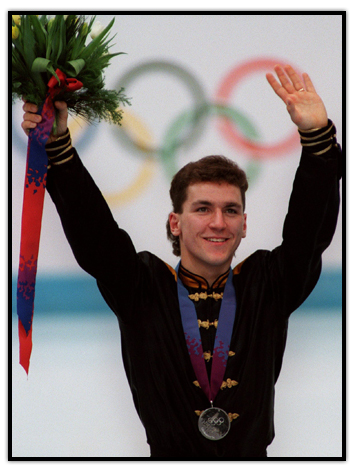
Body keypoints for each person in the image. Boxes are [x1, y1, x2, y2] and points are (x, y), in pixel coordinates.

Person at [21, 65, 341, 458]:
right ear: (176, 222)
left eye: (231, 210)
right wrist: (58, 146)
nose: (218, 222)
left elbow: (309, 232)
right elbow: (94, 233)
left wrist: (317, 138)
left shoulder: (267, 285)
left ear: (244, 224)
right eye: (203, 209)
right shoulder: (142, 287)